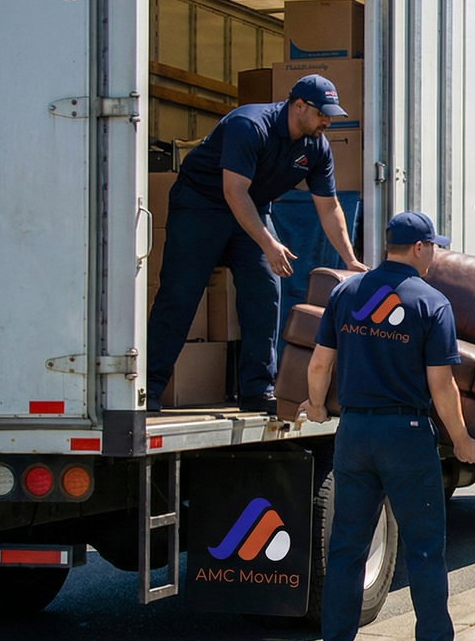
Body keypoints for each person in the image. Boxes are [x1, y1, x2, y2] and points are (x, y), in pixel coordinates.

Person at [301, 211, 475, 641]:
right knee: (425, 551)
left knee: (345, 551)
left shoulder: (346, 293)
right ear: (421, 248)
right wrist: (462, 438)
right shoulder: (432, 302)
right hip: (406, 435)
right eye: (435, 249)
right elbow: (441, 386)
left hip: (355, 434)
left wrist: (318, 406)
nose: (436, 257)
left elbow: (321, 362)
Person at [147, 74, 367, 414]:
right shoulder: (249, 125)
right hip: (201, 204)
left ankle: (256, 390)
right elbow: (233, 191)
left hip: (252, 207)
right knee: (180, 295)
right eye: (322, 113)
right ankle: (150, 388)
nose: (327, 121)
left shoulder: (316, 147)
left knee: (265, 292)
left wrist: (350, 259)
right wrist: (268, 243)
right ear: (297, 106)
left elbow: (329, 206)